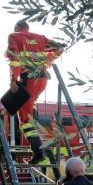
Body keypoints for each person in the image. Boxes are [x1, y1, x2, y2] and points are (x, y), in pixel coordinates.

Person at [6, 20, 64, 163]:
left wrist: (13, 80)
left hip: (28, 79)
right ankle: (34, 117)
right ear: (27, 28)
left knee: (25, 119)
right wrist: (48, 61)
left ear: (17, 27)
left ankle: (38, 153)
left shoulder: (14, 36)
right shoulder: (40, 38)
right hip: (42, 79)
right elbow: (60, 48)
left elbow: (15, 60)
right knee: (29, 105)